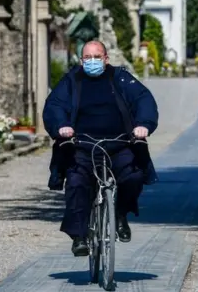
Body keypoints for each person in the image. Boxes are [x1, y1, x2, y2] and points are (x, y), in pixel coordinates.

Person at [43, 40, 159, 257]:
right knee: (77, 182)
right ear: (81, 61)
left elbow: (144, 99)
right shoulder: (72, 80)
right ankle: (79, 236)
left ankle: (121, 215)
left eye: (97, 57)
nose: (92, 61)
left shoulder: (121, 78)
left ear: (106, 59)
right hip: (82, 145)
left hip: (119, 143)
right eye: (88, 58)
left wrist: (143, 125)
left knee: (133, 177)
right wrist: (61, 126)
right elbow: (55, 105)